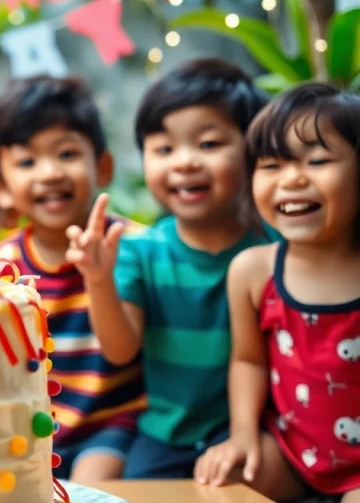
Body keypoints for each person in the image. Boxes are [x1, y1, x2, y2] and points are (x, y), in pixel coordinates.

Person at [64, 58, 271, 479]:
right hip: (164, 436)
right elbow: (120, 349)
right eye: (164, 149)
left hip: (253, 430)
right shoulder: (142, 251)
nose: (184, 162)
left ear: (252, 153)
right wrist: (99, 281)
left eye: (209, 144)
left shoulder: (273, 248)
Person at [194, 84, 360, 503]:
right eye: (271, 165)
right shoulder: (253, 271)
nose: (293, 179)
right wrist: (244, 434)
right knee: (219, 483)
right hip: (288, 453)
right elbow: (247, 359)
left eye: (318, 161)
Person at [0, 76, 145, 482]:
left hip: (108, 426)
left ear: (102, 166)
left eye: (67, 153)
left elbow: (123, 350)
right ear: (0, 187)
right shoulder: (1, 266)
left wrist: (98, 276)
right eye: (27, 162)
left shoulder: (132, 244)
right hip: (31, 430)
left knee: (89, 487)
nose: (50, 173)